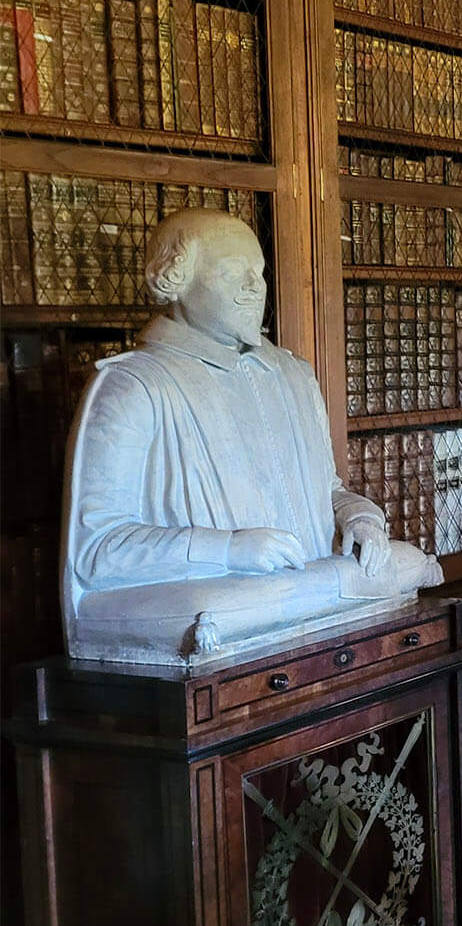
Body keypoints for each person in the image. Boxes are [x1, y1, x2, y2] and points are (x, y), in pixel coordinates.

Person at [63, 208, 439, 664]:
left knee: (403, 561)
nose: (254, 287)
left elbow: (328, 493)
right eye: (231, 273)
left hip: (309, 596)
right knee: (226, 609)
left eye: (258, 272)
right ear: (176, 281)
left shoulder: (292, 375)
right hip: (231, 600)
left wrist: (361, 520)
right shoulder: (132, 386)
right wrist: (227, 549)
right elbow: (98, 552)